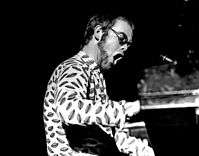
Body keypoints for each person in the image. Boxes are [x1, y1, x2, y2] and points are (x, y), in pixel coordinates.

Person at [43, 14, 155, 156]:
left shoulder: (96, 75)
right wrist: (124, 110)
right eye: (122, 39)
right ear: (99, 32)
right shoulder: (74, 67)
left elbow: (107, 135)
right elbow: (67, 108)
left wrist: (144, 151)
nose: (125, 48)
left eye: (128, 44)